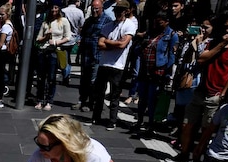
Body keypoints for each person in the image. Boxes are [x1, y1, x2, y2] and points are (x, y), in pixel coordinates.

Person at [171, 14, 228, 162]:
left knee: (206, 130)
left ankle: (196, 157)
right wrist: (222, 44)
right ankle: (184, 154)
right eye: (225, 26)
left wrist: (224, 92)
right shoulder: (214, 43)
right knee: (187, 124)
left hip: (215, 94)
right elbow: (202, 58)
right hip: (200, 90)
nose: (227, 30)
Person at [90, 0, 136, 130]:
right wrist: (115, 44)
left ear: (126, 11)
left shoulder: (129, 25)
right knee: (99, 92)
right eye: (116, 10)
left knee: (114, 95)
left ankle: (112, 120)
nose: (117, 13)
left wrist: (108, 43)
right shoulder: (108, 26)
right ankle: (96, 117)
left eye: (120, 10)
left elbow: (123, 44)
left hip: (118, 65)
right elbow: (100, 44)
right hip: (104, 63)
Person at [133, 11, 178, 133]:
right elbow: (138, 49)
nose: (156, 24)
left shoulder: (172, 35)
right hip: (145, 69)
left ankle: (151, 123)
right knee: (142, 97)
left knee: (152, 98)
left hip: (158, 71)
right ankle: (140, 120)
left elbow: (171, 56)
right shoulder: (149, 33)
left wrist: (167, 73)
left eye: (160, 22)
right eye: (155, 21)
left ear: (166, 22)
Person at [73, 0, 110, 111]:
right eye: (93, 8)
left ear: (102, 8)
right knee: (84, 79)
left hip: (98, 55)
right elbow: (82, 35)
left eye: (97, 8)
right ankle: (82, 100)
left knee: (93, 81)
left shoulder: (107, 20)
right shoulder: (88, 20)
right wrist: (79, 49)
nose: (95, 10)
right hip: (86, 54)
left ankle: (91, 103)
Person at [35, 1, 72, 110]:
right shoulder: (46, 22)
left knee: (51, 78)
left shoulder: (63, 21)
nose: (53, 10)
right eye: (52, 8)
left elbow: (68, 36)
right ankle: (40, 100)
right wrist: (46, 37)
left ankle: (49, 101)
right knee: (41, 77)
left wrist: (56, 42)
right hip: (43, 51)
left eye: (56, 8)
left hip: (54, 51)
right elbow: (38, 39)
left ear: (59, 9)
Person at [61, 0, 85, 85]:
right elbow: (82, 26)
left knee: (65, 58)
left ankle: (66, 75)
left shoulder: (63, 10)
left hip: (64, 37)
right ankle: (67, 74)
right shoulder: (80, 12)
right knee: (68, 58)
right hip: (73, 37)